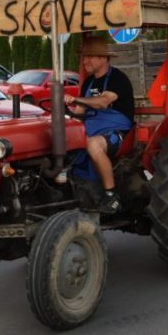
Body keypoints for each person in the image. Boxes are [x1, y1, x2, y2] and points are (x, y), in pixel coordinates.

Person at [63, 36, 135, 214]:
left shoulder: (118, 78)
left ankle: (111, 195)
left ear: (103, 58)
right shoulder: (88, 82)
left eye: (90, 56)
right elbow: (79, 112)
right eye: (84, 56)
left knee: (93, 145)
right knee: (61, 140)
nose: (85, 60)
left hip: (116, 131)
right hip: (92, 127)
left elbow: (103, 102)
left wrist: (76, 99)